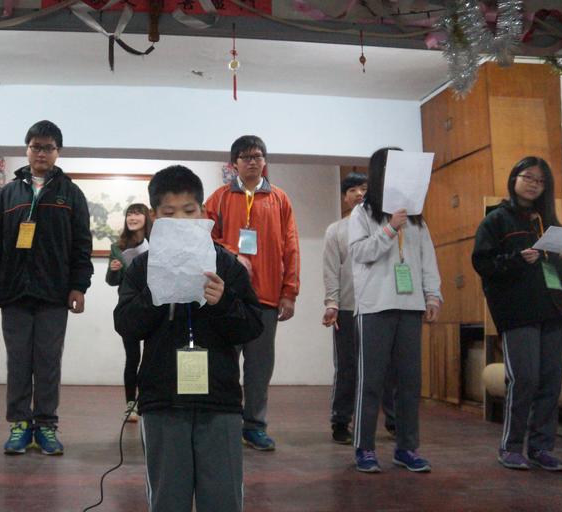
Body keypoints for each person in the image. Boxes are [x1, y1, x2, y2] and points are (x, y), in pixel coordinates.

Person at [115, 165, 263, 512]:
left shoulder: (226, 265)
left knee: (223, 499)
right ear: (154, 216)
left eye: (189, 210)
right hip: (162, 400)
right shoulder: (142, 268)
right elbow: (126, 325)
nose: (180, 220)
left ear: (203, 212)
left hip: (220, 400)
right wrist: (154, 295)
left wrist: (223, 302)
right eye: (169, 213)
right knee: (168, 498)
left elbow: (252, 327)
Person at [0, 120, 94, 456]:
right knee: (17, 362)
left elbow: (82, 245)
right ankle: (19, 424)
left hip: (54, 295)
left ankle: (45, 425)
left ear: (58, 152)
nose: (41, 153)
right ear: (27, 150)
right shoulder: (7, 194)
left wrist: (79, 286)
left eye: (48, 147)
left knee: (47, 362)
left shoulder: (71, 194)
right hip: (13, 293)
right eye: (35, 147)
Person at [472, 156, 562, 472]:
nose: (534, 184)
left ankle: (541, 448)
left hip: (554, 310)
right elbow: (483, 264)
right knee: (525, 379)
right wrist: (518, 259)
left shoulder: (550, 221)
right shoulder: (496, 220)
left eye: (541, 181)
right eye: (528, 177)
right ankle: (511, 447)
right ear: (514, 179)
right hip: (518, 311)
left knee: (550, 382)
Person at [348, 147, 441, 473]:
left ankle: (407, 448)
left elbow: (427, 258)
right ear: (381, 174)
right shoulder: (363, 213)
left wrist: (433, 296)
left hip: (410, 306)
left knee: (410, 383)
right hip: (375, 306)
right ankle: (364, 447)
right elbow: (360, 252)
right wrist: (389, 228)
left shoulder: (416, 217)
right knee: (371, 382)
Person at [204, 135, 300, 450]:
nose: (252, 162)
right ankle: (226, 421)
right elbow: (205, 239)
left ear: (265, 161)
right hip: (228, 297)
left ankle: (255, 426)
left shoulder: (280, 199)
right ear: (234, 163)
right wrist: (233, 254)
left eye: (257, 156)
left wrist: (290, 292)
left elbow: (291, 247)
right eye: (245, 157)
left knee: (259, 368)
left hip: (267, 298)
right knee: (225, 363)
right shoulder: (219, 198)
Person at [322, 172, 396, 444]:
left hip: (380, 306)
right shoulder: (336, 230)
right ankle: (341, 421)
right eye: (352, 190)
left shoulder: (384, 226)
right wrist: (332, 302)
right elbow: (331, 270)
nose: (359, 194)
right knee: (347, 367)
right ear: (344, 197)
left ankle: (394, 420)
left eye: (363, 188)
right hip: (347, 307)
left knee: (387, 367)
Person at [105, 203, 152, 421]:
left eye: (137, 214)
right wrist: (113, 270)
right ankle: (130, 404)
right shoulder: (118, 246)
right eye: (129, 214)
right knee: (132, 357)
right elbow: (111, 281)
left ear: (146, 217)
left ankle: (148, 401)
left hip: (152, 304)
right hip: (129, 306)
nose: (132, 218)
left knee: (152, 357)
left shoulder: (155, 243)